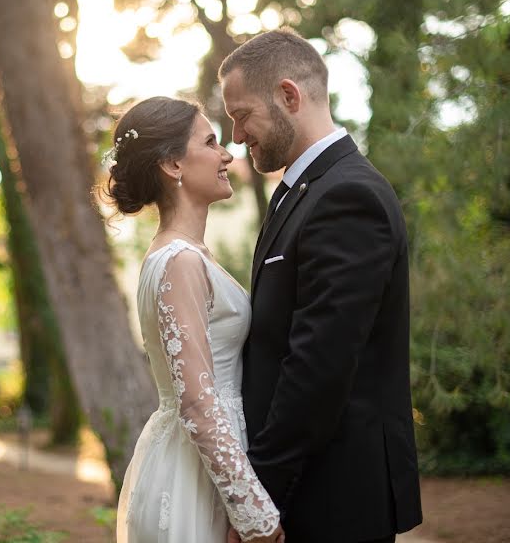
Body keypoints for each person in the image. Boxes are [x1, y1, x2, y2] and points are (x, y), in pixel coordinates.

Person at [219, 28, 423, 543]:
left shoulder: (349, 195)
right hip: (308, 485)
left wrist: (258, 494)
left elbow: (318, 365)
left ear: (289, 95)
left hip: (334, 495)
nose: (237, 136)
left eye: (242, 116)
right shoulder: (300, 191)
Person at [110, 96, 285, 543]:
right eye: (211, 142)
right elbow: (197, 403)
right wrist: (254, 515)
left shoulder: (185, 256)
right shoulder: (180, 262)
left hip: (203, 464)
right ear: (173, 164)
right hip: (196, 480)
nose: (227, 153)